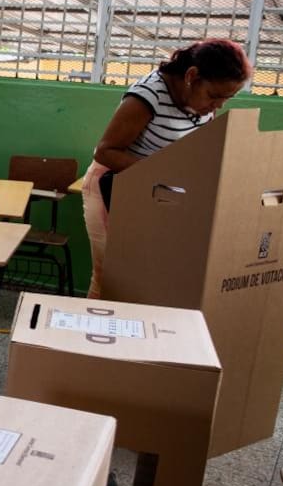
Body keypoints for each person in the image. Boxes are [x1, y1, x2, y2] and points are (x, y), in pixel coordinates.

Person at [81, 40, 252, 298]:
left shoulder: (202, 105)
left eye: (226, 99)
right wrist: (164, 172)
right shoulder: (148, 96)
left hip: (156, 190)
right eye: (214, 96)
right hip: (111, 186)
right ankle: (93, 335)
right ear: (191, 76)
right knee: (111, 277)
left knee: (149, 276)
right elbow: (105, 151)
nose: (217, 106)